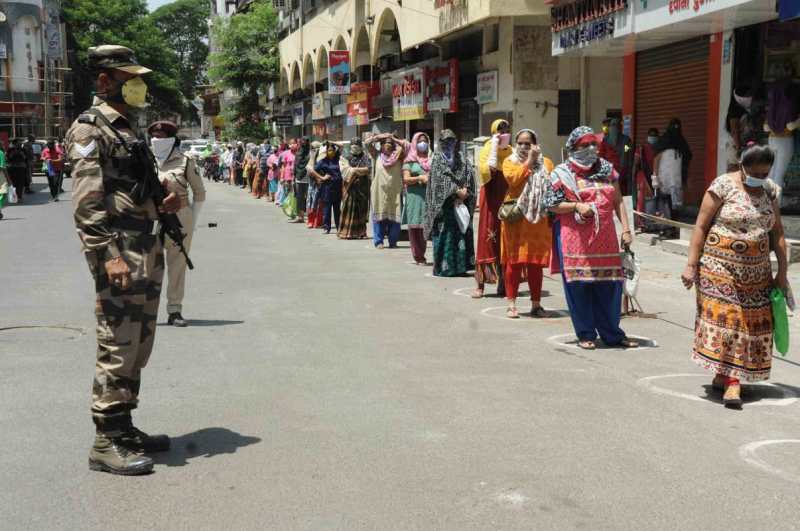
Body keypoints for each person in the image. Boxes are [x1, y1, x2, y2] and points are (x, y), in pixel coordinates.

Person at [65, 45, 181, 475]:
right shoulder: (89, 129)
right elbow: (87, 203)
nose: (138, 86)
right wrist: (107, 255)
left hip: (144, 248)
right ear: (104, 81)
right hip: (119, 252)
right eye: (128, 79)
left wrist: (162, 199)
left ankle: (124, 427)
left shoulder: (126, 128)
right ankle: (105, 440)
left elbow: (129, 187)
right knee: (117, 342)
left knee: (139, 342)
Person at [682, 144, 788, 408]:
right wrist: (691, 265)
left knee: (751, 327)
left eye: (764, 173)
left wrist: (782, 273)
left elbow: (778, 233)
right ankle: (732, 383)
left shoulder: (770, 191)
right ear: (742, 166)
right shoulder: (722, 186)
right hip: (719, 270)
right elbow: (700, 226)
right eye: (755, 173)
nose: (760, 178)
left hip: (758, 274)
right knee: (732, 323)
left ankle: (723, 373)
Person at [544, 126, 638, 350]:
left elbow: (617, 201)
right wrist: (576, 206)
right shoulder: (561, 173)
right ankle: (585, 333)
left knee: (610, 285)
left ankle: (612, 334)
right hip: (575, 238)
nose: (591, 149)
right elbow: (551, 204)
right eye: (585, 145)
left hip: (606, 238)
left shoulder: (607, 169)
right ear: (573, 147)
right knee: (579, 286)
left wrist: (626, 229)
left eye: (594, 144)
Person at [148, 120, 206, 328]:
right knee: (148, 266)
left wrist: (192, 220)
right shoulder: (145, 159)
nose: (156, 140)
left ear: (171, 139)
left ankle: (174, 310)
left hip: (180, 218)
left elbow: (199, 193)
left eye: (161, 137)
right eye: (154, 137)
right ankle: (146, 311)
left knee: (177, 266)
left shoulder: (185, 161)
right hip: (151, 218)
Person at [500, 129, 554, 319]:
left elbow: (552, 187)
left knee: (535, 263)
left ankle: (536, 305)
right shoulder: (509, 161)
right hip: (516, 218)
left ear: (535, 144)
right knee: (514, 262)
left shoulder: (547, 163)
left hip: (538, 219)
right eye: (520, 143)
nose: (524, 146)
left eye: (528, 143)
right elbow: (513, 180)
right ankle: (511, 304)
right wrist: (529, 161)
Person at [424, 129, 476, 277]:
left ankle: (461, 268)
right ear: (440, 143)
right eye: (445, 141)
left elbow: (469, 174)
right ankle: (444, 268)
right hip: (443, 206)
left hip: (461, 203)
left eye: (452, 141)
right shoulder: (437, 159)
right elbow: (438, 181)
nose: (449, 144)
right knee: (445, 235)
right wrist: (455, 191)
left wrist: (466, 191)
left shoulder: (461, 158)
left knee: (461, 234)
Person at [474, 119, 512, 297]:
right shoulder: (487, 148)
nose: (503, 132)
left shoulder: (511, 151)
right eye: (500, 130)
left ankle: (503, 283)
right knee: (486, 237)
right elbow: (484, 171)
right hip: (490, 196)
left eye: (506, 129)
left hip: (506, 197)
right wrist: (494, 151)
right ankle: (480, 284)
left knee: (505, 240)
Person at [652, 118, 693, 235]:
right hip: (663, 179)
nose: (676, 129)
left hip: (676, 180)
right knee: (664, 204)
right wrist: (655, 176)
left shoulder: (682, 143)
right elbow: (656, 159)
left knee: (675, 206)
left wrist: (686, 178)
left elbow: (687, 160)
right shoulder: (663, 141)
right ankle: (665, 228)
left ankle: (673, 228)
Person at [368, 133, 408, 249]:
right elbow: (367, 144)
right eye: (385, 143)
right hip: (379, 192)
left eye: (390, 143)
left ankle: (393, 241)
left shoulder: (399, 156)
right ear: (381, 145)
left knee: (395, 218)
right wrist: (380, 136)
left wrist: (394, 138)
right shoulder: (376, 155)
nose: (388, 145)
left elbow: (407, 146)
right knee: (379, 217)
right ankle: (378, 241)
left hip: (395, 191)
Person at [402, 132, 431, 264]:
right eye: (419, 141)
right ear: (414, 143)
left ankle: (422, 253)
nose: (422, 143)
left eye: (425, 141)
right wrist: (419, 178)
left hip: (427, 196)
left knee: (424, 226)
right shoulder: (409, 160)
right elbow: (406, 179)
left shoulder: (431, 159)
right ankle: (418, 256)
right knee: (415, 227)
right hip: (414, 197)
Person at [339, 137, 372, 239]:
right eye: (353, 145)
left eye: (357, 145)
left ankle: (361, 233)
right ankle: (347, 233)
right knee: (349, 209)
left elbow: (368, 169)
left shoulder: (365, 157)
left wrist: (353, 170)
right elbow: (345, 171)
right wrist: (358, 171)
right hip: (350, 187)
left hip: (363, 188)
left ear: (361, 146)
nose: (355, 147)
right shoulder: (346, 157)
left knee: (362, 210)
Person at [310, 142, 343, 234]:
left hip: (337, 187)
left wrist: (331, 142)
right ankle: (326, 227)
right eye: (329, 150)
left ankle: (339, 227)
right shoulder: (323, 161)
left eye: (332, 150)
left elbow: (341, 146)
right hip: (327, 188)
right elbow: (311, 170)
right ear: (326, 151)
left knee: (337, 209)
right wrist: (321, 178)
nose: (330, 152)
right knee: (327, 209)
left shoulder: (338, 159)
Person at [633, 128, 658, 232]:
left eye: (654, 135)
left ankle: (650, 222)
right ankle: (641, 223)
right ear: (647, 136)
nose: (653, 137)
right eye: (651, 135)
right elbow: (636, 162)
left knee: (652, 201)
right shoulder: (641, 148)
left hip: (655, 177)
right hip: (643, 177)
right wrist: (633, 177)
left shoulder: (658, 148)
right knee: (641, 201)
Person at [306, 140, 325, 228]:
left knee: (319, 203)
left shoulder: (322, 158)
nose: (313, 150)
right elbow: (309, 170)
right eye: (312, 148)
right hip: (312, 184)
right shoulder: (310, 157)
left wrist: (320, 178)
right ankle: (311, 221)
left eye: (314, 148)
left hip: (320, 184)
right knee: (311, 202)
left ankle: (318, 222)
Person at [292, 137, 311, 223]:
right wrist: (294, 177)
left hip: (309, 178)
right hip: (299, 179)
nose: (303, 143)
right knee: (299, 198)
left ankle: (310, 217)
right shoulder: (298, 153)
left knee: (309, 198)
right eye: (302, 142)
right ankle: (300, 216)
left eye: (305, 142)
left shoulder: (310, 153)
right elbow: (295, 165)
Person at [6, 139, 28, 204]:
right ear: (14, 144)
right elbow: (8, 158)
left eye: (20, 143)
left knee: (20, 183)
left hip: (21, 168)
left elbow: (25, 158)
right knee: (13, 183)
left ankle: (19, 197)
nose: (20, 144)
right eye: (18, 143)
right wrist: (13, 153)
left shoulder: (23, 150)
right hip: (12, 168)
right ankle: (14, 196)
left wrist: (21, 153)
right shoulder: (10, 150)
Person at [0, 143, 8, 219]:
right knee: (4, 193)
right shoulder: (1, 153)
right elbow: (3, 167)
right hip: (1, 176)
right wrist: (8, 179)